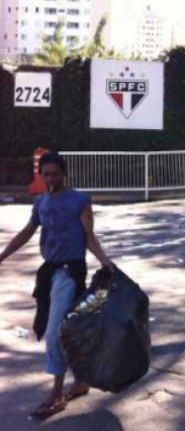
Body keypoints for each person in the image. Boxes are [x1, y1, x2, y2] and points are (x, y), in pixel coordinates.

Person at [0, 152, 113, 420]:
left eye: (55, 174)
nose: (51, 179)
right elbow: (28, 231)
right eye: (46, 174)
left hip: (70, 273)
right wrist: (3, 255)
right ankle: (82, 380)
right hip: (49, 273)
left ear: (64, 173)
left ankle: (57, 393)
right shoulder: (40, 203)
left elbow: (89, 236)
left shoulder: (80, 201)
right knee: (68, 329)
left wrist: (105, 261)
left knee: (54, 333)